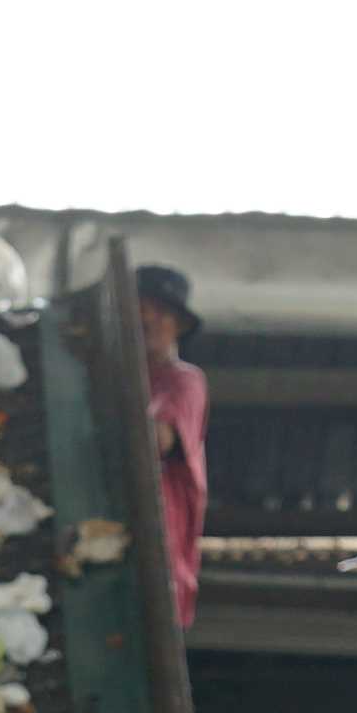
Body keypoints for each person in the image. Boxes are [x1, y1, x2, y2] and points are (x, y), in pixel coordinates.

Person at [136, 261, 209, 630]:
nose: (148, 321)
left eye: (159, 313)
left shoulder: (183, 382)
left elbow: (155, 441)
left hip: (158, 558)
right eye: (140, 311)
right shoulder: (127, 379)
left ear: (178, 325)